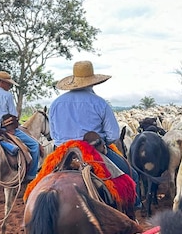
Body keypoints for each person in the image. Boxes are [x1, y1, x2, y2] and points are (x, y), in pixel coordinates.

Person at [49, 60, 141, 207]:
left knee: (39, 181)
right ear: (92, 82)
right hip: (92, 152)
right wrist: (99, 139)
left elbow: (54, 136)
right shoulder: (100, 103)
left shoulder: (55, 104)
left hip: (63, 152)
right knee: (131, 176)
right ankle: (133, 210)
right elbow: (113, 135)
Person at [0, 68, 39, 182]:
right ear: (2, 82)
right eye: (9, 84)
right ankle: (31, 176)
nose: (10, 87)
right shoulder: (7, 95)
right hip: (4, 129)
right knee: (35, 146)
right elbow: (13, 114)